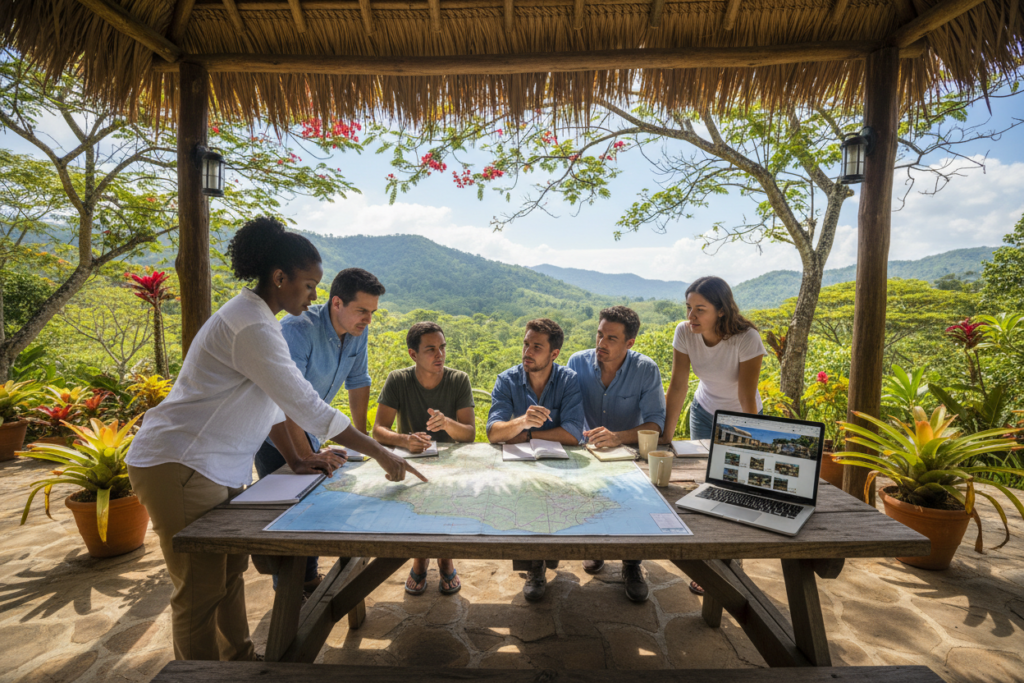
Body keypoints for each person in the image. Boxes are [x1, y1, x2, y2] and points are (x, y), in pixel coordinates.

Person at [125, 217, 425, 661]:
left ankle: (240, 661)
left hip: (211, 466)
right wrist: (380, 450)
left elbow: (271, 405)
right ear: (279, 278)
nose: (312, 296)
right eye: (308, 285)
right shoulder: (254, 327)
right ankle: (202, 675)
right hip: (181, 462)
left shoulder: (257, 319)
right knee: (200, 591)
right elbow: (303, 403)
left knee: (228, 576)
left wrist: (299, 457)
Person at [252, 267, 386, 597]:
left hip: (311, 429)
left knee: (310, 509)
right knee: (289, 520)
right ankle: (290, 598)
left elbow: (358, 381)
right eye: (362, 311)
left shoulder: (358, 331)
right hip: (276, 434)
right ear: (337, 303)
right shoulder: (298, 329)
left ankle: (308, 582)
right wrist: (302, 455)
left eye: (372, 312)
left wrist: (361, 439)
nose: (368, 320)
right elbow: (284, 398)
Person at [660, 275, 765, 596]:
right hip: (704, 412)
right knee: (705, 485)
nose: (691, 316)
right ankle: (707, 561)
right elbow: (678, 385)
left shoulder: (747, 339)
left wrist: (751, 444)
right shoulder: (684, 333)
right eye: (688, 307)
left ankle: (731, 556)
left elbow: (747, 396)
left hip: (740, 418)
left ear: (721, 310)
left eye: (700, 309)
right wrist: (665, 436)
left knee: (734, 486)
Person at [567, 306, 665, 603]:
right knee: (587, 498)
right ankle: (595, 548)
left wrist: (618, 437)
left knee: (633, 502)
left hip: (629, 454)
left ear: (629, 343)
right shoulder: (577, 363)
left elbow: (655, 423)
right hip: (586, 452)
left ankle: (632, 563)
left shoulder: (646, 370)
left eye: (611, 338)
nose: (601, 344)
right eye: (599, 334)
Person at [374, 321, 476, 596]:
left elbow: (469, 434)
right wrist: (405, 440)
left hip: (452, 463)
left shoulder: (458, 380)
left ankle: (444, 558)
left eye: (442, 347)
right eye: (430, 349)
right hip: (412, 461)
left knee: (446, 501)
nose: (439, 354)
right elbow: (378, 430)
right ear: (413, 354)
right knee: (415, 503)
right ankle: (420, 559)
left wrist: (447, 424)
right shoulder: (398, 379)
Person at [487, 318, 584, 602]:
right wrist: (523, 421)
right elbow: (493, 432)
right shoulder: (507, 380)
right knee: (524, 500)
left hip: (558, 462)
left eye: (536, 347)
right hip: (517, 466)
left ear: (554, 354)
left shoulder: (568, 380)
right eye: (526, 344)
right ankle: (534, 566)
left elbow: (574, 433)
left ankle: (545, 558)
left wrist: (525, 433)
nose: (527, 351)